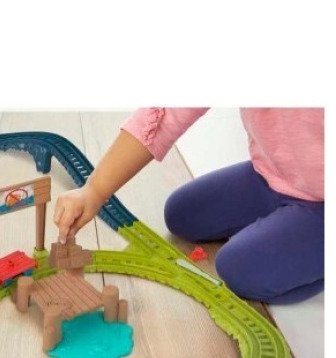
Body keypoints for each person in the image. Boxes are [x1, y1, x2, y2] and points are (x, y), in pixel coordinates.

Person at [53, 108, 324, 304]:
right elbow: (168, 110)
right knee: (183, 214)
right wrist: (94, 191)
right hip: (271, 176)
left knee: (240, 270)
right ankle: (289, 223)